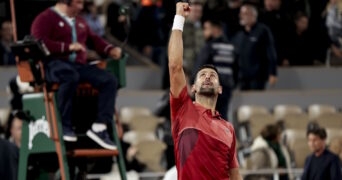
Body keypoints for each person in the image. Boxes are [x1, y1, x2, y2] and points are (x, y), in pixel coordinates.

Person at [31, 0, 122, 150]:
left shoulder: (80, 21)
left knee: (109, 80)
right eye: (78, 3)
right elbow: (39, 42)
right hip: (54, 64)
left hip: (78, 66)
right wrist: (67, 47)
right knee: (70, 75)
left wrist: (109, 49)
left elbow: (94, 39)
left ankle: (99, 127)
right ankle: (64, 125)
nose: (81, 7)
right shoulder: (45, 18)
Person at [167, 2, 242, 179]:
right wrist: (179, 19)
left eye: (213, 75)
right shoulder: (183, 110)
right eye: (202, 75)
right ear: (193, 88)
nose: (208, 77)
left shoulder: (228, 129)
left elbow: (235, 175)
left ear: (220, 89)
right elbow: (175, 66)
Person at [193, 18, 238, 120]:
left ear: (215, 30)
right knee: (223, 115)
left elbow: (200, 67)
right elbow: (236, 69)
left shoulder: (210, 47)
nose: (204, 32)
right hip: (227, 87)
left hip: (210, 87)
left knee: (208, 115)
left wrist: (194, 82)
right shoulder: (231, 47)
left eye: (206, 29)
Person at [234, 3, 277, 90]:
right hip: (242, 78)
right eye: (241, 14)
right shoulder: (239, 35)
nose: (241, 16)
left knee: (256, 102)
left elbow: (270, 52)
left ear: (253, 15)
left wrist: (273, 72)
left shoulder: (262, 31)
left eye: (245, 13)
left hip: (258, 78)